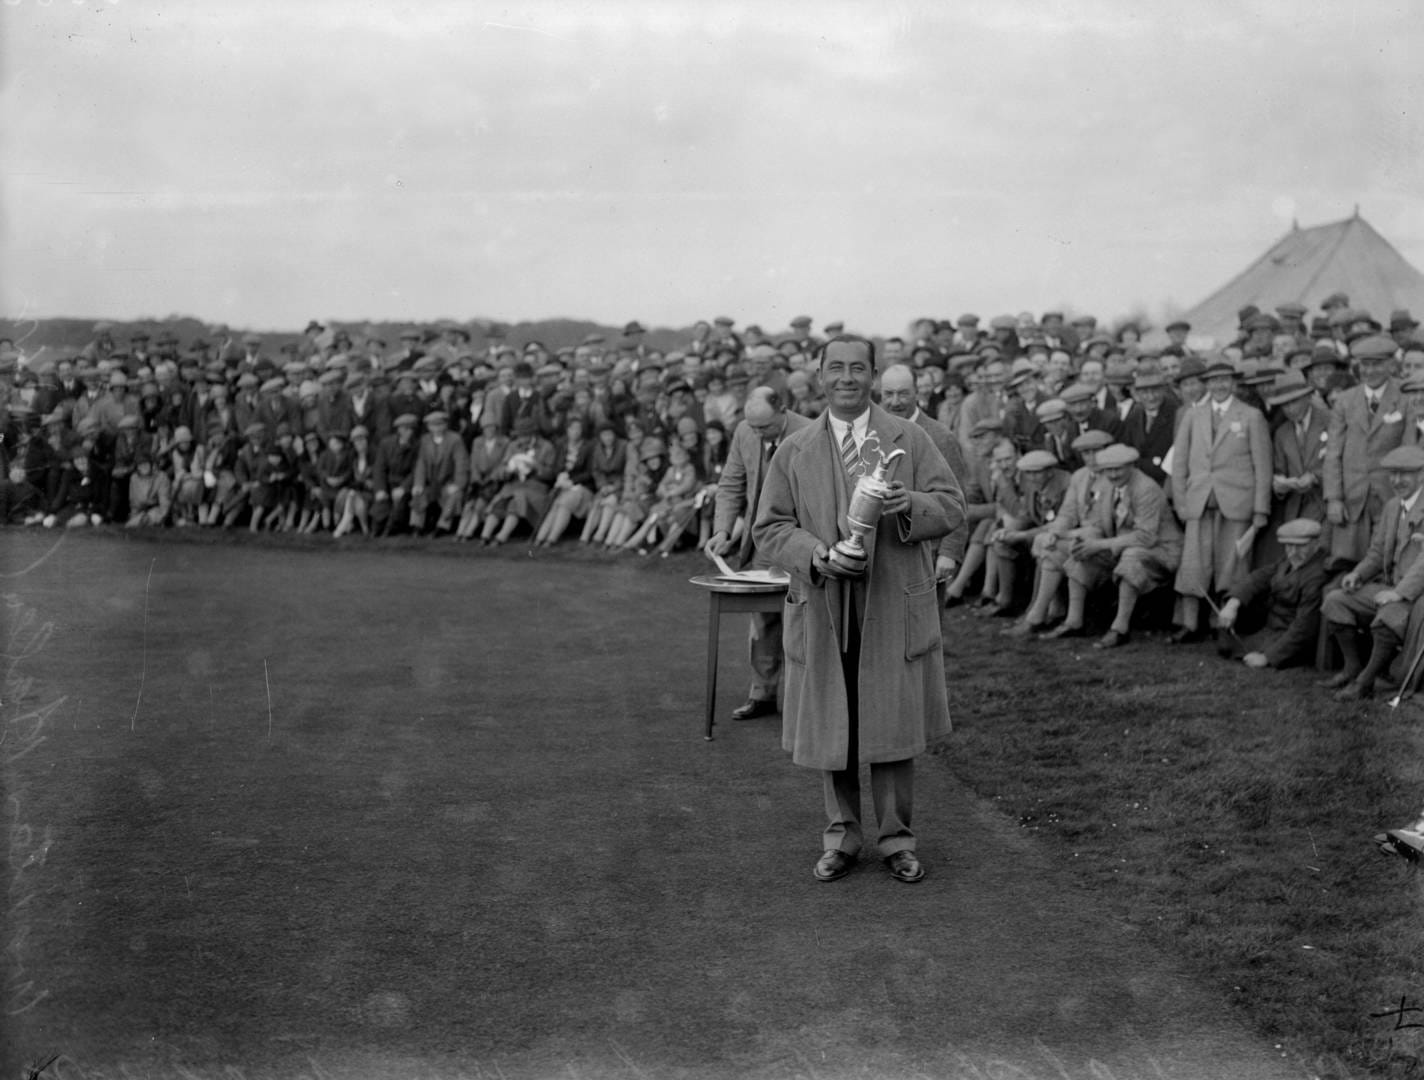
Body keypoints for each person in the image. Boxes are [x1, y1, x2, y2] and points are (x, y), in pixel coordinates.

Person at [754, 336, 965, 884]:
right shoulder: (794, 448)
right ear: (819, 375)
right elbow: (769, 528)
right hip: (826, 603)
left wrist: (909, 505)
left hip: (893, 602)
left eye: (858, 369)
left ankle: (897, 839)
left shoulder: (910, 438)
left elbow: (952, 507)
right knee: (834, 722)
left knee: (891, 721)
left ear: (873, 376)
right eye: (836, 368)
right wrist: (817, 556)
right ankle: (841, 836)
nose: (847, 378)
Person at [705, 387, 812, 721]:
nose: (756, 434)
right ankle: (762, 694)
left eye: (763, 428)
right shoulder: (744, 431)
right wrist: (723, 530)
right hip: (762, 542)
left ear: (783, 410)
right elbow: (731, 483)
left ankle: (804, 701)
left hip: (801, 541)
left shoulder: (811, 432)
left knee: (801, 620)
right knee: (763, 621)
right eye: (752, 427)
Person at [1169, 358, 1273, 642]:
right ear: (1206, 383)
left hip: (1237, 503)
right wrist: (1181, 503)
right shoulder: (1193, 415)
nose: (1219, 385)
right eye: (1213, 380)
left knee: (1233, 565)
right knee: (1194, 564)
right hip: (1200, 502)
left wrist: (1260, 509)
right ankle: (1190, 624)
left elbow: (1263, 467)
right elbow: (1179, 464)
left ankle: (1224, 625)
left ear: (1233, 382)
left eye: (1224, 379)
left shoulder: (1250, 415)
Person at [1318, 445, 1424, 701]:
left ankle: (1365, 682)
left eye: (1405, 474)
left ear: (1422, 474)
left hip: (1415, 595)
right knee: (1336, 600)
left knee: (1389, 614)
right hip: (1390, 587)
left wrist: (1398, 594)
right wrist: (1358, 575)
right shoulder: (1391, 507)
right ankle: (1352, 667)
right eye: (1393, 474)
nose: (1397, 481)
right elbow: (1377, 553)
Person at [1323, 334, 1405, 567]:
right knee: (1347, 563)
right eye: (1365, 365)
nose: (1370, 371)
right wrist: (1334, 498)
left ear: (1391, 365)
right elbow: (1333, 453)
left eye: (1377, 364)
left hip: (1391, 495)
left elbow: (1410, 451)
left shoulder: (1405, 396)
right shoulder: (1346, 401)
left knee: (1391, 560)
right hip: (1353, 500)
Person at [1215, 518, 1329, 669]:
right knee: (1235, 602)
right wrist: (1232, 605)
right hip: (1271, 628)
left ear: (1316, 543)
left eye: (1301, 546)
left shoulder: (1317, 574)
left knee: (1234, 648)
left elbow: (1304, 627)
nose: (1293, 552)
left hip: (1288, 636)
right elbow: (1258, 578)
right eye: (1289, 546)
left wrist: (1267, 658)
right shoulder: (1291, 560)